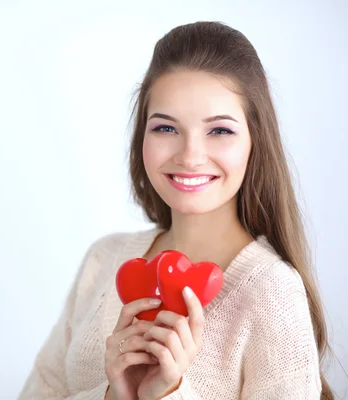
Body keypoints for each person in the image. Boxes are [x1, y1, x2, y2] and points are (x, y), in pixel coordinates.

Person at [17, 21, 333, 399]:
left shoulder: (272, 294)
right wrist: (113, 395)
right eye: (166, 128)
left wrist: (164, 395)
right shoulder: (103, 260)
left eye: (219, 131)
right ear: (142, 136)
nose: (189, 157)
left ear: (255, 141)